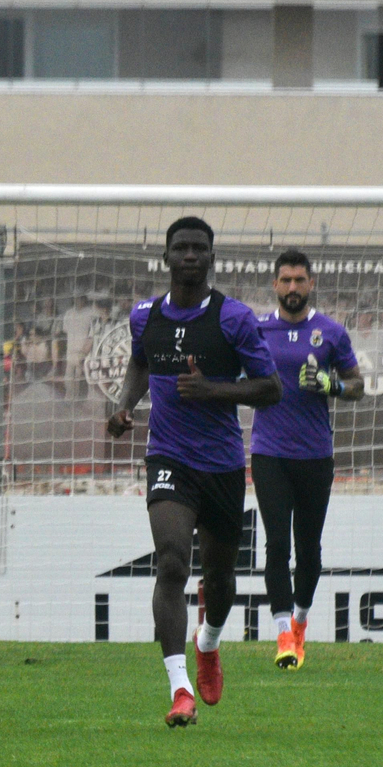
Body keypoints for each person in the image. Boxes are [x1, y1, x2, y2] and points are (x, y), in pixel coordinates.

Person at [106, 216, 280, 727]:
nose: (189, 255)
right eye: (180, 248)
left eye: (198, 248)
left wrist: (215, 391)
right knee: (172, 563)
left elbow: (270, 388)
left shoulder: (235, 319)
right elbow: (141, 361)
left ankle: (209, 644)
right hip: (169, 458)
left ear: (210, 257)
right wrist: (125, 406)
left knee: (220, 578)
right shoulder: (145, 316)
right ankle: (179, 688)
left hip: (222, 464)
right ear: (165, 257)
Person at [250, 249, 363, 672]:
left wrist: (330, 383)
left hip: (315, 454)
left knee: (308, 550)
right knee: (276, 543)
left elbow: (357, 387)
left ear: (311, 284)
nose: (292, 287)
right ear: (275, 285)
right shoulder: (259, 329)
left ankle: (299, 622)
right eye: (286, 280)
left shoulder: (330, 332)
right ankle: (282, 633)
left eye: (300, 280)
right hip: (268, 452)